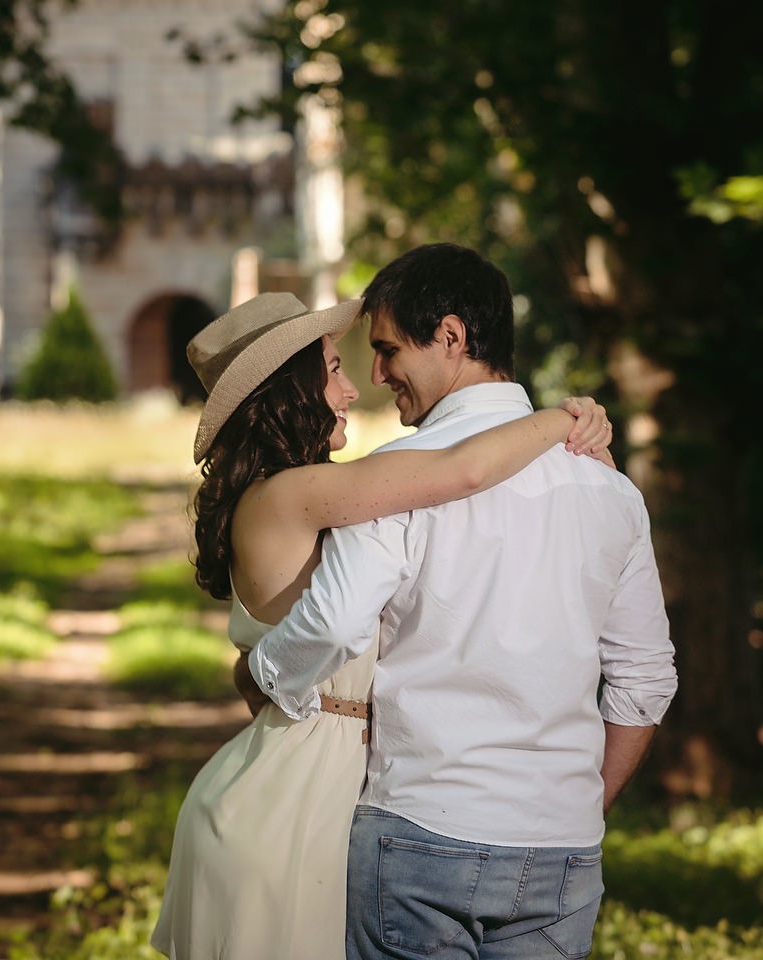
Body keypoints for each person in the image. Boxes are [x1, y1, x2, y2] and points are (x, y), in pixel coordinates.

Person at [244, 244, 679, 960]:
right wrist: (574, 810)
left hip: (421, 834)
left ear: (451, 337)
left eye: (387, 350)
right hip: (562, 853)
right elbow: (646, 682)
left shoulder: (393, 482)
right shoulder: (610, 491)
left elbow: (337, 618)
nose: (376, 375)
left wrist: (265, 675)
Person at [150, 290, 613, 960]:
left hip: (290, 788)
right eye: (334, 368)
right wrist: (566, 417)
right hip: (294, 808)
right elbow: (464, 470)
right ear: (293, 390)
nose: (351, 388)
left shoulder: (286, 493)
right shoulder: (295, 492)